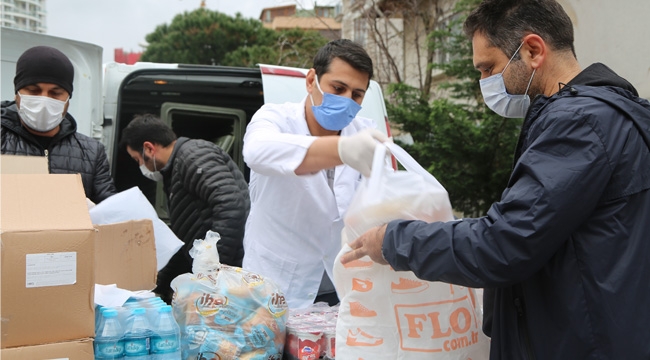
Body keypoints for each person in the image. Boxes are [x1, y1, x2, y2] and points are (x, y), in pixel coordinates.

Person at [340, 0, 650, 358]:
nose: (483, 83)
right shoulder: (614, 114)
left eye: (488, 68)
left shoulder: (580, 124)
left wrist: (393, 239)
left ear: (533, 50)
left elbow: (504, 244)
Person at [242, 39, 387, 310]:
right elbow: (256, 152)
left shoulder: (366, 133)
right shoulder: (275, 119)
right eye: (338, 88)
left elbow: (383, 203)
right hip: (276, 284)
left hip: (340, 285)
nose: (346, 101)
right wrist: (341, 150)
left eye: (356, 95)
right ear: (311, 81)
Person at [120, 114, 250, 304]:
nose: (140, 165)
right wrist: (159, 287)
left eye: (137, 159)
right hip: (218, 275)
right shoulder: (175, 170)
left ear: (149, 148)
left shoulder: (194, 156)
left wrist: (211, 270)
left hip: (230, 276)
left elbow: (231, 207)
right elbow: (186, 235)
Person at [1, 45, 116, 204]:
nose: (44, 100)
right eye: (34, 91)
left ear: (68, 99)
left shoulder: (92, 152)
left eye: (55, 93)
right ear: (17, 94)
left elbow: (109, 210)